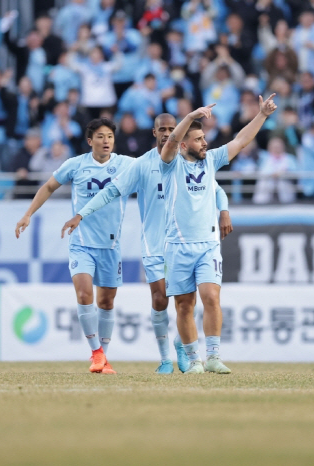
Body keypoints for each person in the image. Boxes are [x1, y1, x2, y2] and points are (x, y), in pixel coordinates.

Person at [61, 113, 233, 374]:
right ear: (154, 133)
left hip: (184, 242)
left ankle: (184, 348)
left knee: (187, 302)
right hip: (155, 244)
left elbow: (215, 188)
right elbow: (111, 191)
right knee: (160, 299)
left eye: (172, 129)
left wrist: (224, 210)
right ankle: (165, 358)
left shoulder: (188, 161)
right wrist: (82, 213)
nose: (167, 133)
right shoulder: (141, 165)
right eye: (162, 129)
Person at [156, 94, 277, 373]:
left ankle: (212, 357)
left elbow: (240, 141)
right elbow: (171, 142)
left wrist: (262, 115)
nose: (205, 143)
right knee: (185, 306)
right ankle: (193, 360)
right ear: (185, 143)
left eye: (204, 139)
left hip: (208, 245)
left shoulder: (210, 161)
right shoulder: (170, 164)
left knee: (211, 297)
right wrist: (189, 117)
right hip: (177, 245)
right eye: (198, 140)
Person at [15, 118, 134, 375]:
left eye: (110, 137)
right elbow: (48, 187)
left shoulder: (126, 165)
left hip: (111, 245)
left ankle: (103, 357)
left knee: (107, 302)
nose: (106, 141)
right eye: (101, 137)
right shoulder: (75, 165)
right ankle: (96, 353)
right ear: (90, 141)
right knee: (83, 295)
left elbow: (156, 165)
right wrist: (28, 214)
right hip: (81, 242)